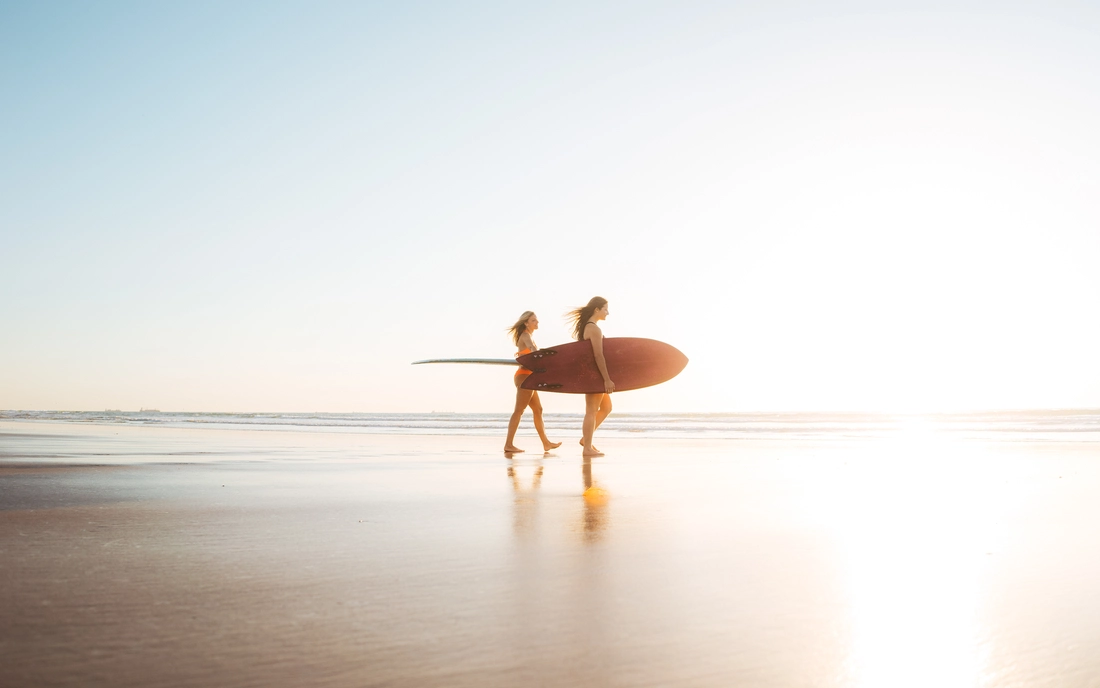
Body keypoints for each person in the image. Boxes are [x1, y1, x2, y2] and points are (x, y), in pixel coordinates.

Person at [504, 311, 562, 454]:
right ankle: (508, 445)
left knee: (538, 410)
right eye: (533, 320)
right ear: (526, 323)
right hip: (524, 376)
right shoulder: (525, 335)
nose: (537, 323)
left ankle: (546, 443)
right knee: (519, 410)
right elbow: (532, 348)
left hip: (528, 376)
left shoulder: (527, 335)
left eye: (537, 320)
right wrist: (539, 355)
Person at [568, 297, 614, 457]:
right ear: (597, 309)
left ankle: (585, 440)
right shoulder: (594, 328)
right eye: (605, 309)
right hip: (595, 375)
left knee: (606, 408)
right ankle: (587, 448)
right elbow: (598, 355)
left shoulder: (588, 327)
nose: (608, 312)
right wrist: (607, 379)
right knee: (591, 411)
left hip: (593, 374)